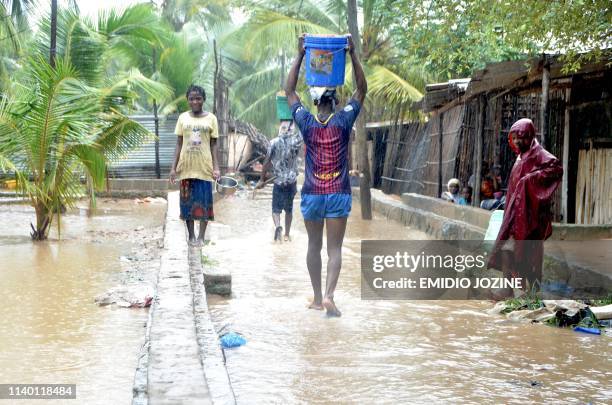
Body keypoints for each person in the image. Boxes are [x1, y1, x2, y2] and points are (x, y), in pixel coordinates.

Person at [285, 34, 367, 317]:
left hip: (312, 193)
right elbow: (361, 91)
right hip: (338, 193)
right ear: (335, 101)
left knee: (313, 246)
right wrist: (352, 54)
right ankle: (331, 296)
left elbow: (290, 92)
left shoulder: (306, 122)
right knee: (334, 250)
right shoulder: (344, 120)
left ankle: (318, 298)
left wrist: (299, 54)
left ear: (316, 103)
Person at [488, 118, 563, 295]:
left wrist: (531, 180)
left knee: (532, 254)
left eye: (520, 138)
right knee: (507, 247)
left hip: (532, 216)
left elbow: (556, 168)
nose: (516, 142)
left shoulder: (539, 154)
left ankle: (534, 290)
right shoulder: (521, 155)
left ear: (529, 137)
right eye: (514, 139)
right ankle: (507, 287)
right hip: (516, 214)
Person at [169, 84, 220, 246]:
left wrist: (216, 167)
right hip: (186, 167)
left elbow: (213, 144)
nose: (195, 101)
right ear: (188, 100)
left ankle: (201, 237)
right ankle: (191, 236)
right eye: (191, 99)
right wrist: (173, 168)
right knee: (187, 204)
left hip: (204, 167)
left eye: (198, 98)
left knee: (205, 203)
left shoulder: (211, 118)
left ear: (203, 99)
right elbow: (178, 143)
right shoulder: (183, 118)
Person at [256, 119, 303, 241]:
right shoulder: (296, 141)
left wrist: (262, 179)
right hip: (291, 182)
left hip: (278, 181)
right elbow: (304, 130)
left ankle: (278, 226)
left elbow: (266, 162)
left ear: (280, 128)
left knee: (275, 209)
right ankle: (287, 234)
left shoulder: (273, 142)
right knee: (289, 209)